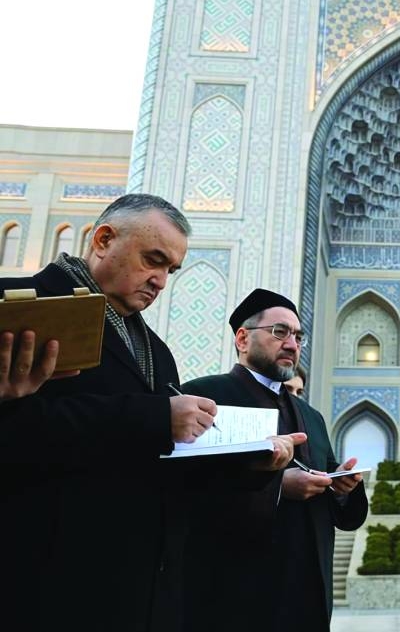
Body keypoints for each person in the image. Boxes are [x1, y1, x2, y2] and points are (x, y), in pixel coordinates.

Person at [0, 194, 302, 632]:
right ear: (103, 240)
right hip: (46, 586)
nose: (160, 280)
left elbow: (167, 469)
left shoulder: (155, 352)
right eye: (153, 260)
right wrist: (155, 419)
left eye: (170, 270)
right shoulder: (19, 310)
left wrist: (251, 466)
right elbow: (19, 438)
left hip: (137, 592)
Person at [182, 289, 368, 632]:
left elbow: (336, 506)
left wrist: (341, 487)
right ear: (242, 338)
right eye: (279, 332)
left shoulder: (310, 416)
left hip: (306, 595)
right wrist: (278, 487)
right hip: (236, 596)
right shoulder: (205, 398)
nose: (292, 344)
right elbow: (185, 493)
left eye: (298, 336)